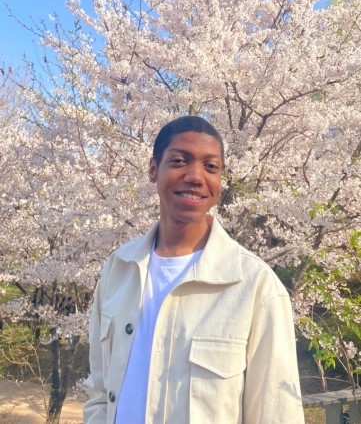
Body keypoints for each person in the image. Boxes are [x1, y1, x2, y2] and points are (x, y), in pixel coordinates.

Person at [83, 116, 305, 424]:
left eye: (210, 167)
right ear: (152, 169)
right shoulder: (118, 269)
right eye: (179, 161)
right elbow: (99, 390)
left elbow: (276, 412)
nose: (196, 176)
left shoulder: (255, 286)